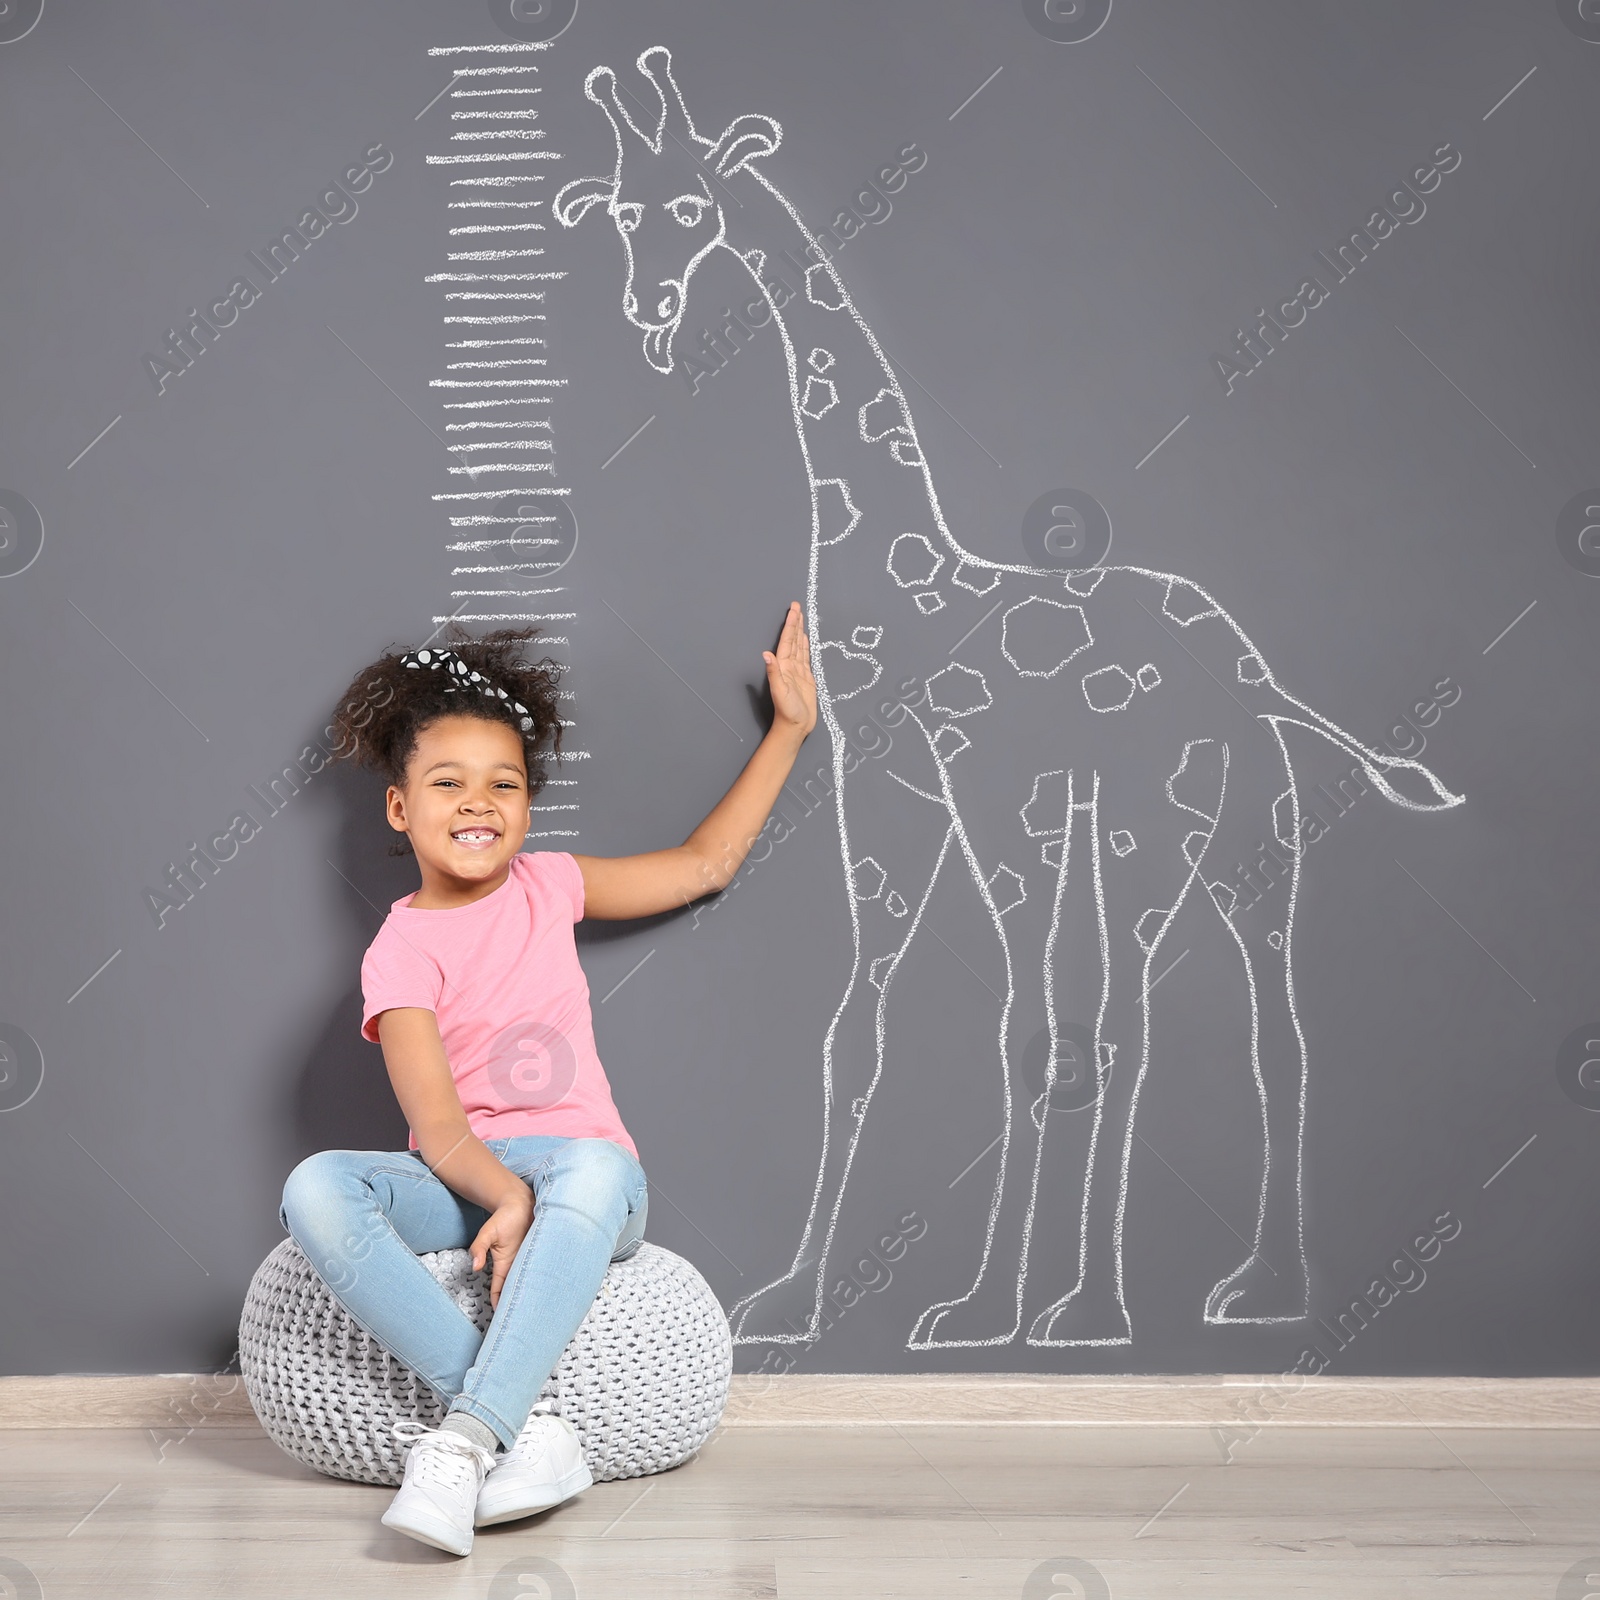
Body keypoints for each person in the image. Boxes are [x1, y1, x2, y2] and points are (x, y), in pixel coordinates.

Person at [278, 601, 817, 1555]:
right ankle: (524, 1437)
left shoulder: (551, 885)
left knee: (599, 1165)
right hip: (462, 1179)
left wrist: (789, 729)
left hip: (583, 1179)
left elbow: (702, 865)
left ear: (528, 805)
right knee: (314, 1186)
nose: (478, 802)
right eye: (448, 783)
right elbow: (437, 1127)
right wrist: (502, 1197)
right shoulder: (399, 951)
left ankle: (467, 1439)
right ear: (401, 809)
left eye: (504, 784)